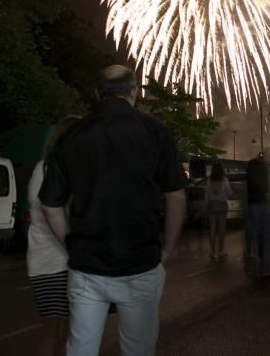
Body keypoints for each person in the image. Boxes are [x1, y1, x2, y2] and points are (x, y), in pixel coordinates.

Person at [39, 65, 187, 356]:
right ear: (134, 92)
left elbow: (49, 203)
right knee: (138, 349)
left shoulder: (72, 135)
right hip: (140, 262)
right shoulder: (154, 130)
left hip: (87, 267)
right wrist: (166, 250)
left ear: (97, 93)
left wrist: (71, 244)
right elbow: (176, 198)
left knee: (81, 348)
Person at [28, 116, 82, 356]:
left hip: (42, 262)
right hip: (60, 263)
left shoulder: (41, 168)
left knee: (57, 333)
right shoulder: (61, 172)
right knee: (62, 334)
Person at [246, 152, 270, 279]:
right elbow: (269, 194)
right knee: (266, 239)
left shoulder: (249, 179)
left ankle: (254, 269)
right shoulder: (266, 178)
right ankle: (266, 269)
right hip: (265, 206)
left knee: (254, 238)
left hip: (253, 207)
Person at [205, 162, 233, 260]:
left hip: (212, 205)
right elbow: (229, 194)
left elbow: (207, 195)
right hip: (222, 205)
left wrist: (207, 206)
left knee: (212, 229)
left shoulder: (209, 180)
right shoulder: (224, 180)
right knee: (221, 230)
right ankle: (221, 251)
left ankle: (213, 252)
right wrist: (230, 194)